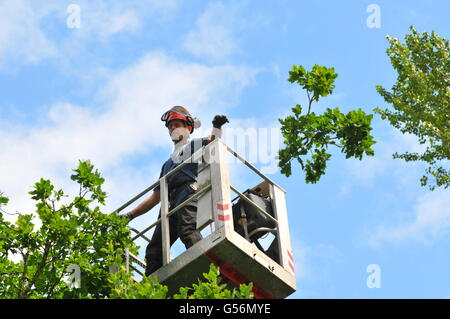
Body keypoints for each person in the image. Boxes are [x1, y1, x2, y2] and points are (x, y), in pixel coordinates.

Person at [122, 106, 229, 276]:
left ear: (188, 128)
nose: (173, 128)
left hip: (187, 193)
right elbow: (156, 197)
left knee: (187, 229)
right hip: (169, 205)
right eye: (170, 126)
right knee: (154, 250)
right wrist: (130, 215)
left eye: (177, 124)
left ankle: (208, 272)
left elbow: (213, 140)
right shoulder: (167, 165)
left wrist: (217, 125)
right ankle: (151, 290)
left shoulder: (194, 146)